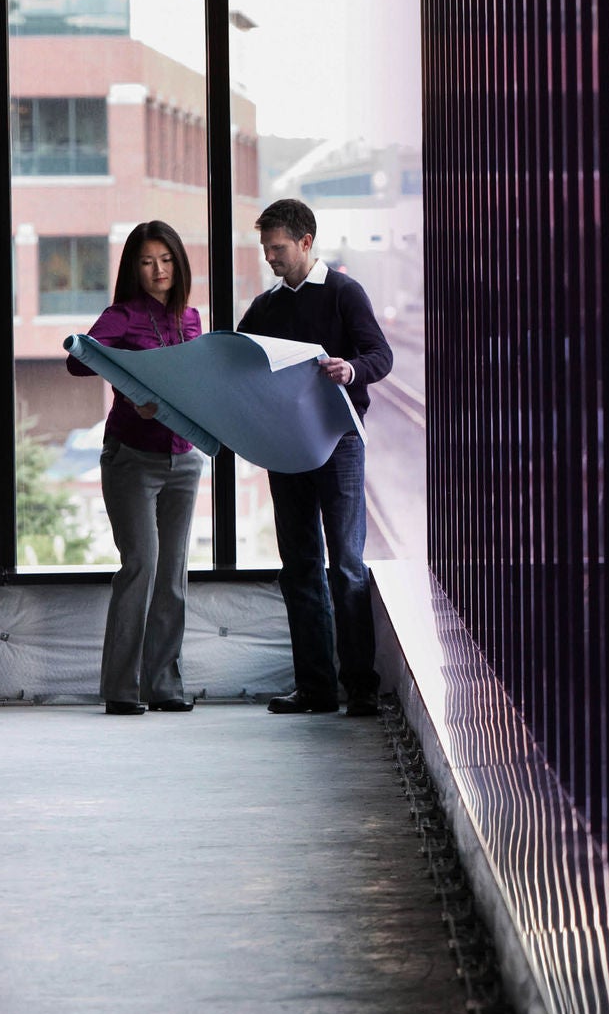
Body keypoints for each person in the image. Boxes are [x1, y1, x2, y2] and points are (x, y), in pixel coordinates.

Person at [237, 198, 394, 717]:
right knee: (300, 566)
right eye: (266, 249)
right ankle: (317, 690)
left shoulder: (346, 293)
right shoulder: (265, 307)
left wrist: (351, 370)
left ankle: (362, 688)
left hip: (338, 442)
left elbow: (380, 356)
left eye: (278, 248)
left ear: (306, 242)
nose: (270, 258)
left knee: (346, 565)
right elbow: (237, 360)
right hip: (287, 446)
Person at [67, 222, 204, 716]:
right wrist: (130, 387)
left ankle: (165, 685)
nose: (158, 270)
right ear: (133, 267)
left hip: (184, 459)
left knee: (172, 573)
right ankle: (122, 688)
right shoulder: (120, 316)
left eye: (166, 260)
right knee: (141, 564)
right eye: (147, 262)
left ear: (178, 262)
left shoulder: (190, 319)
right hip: (132, 458)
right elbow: (80, 361)